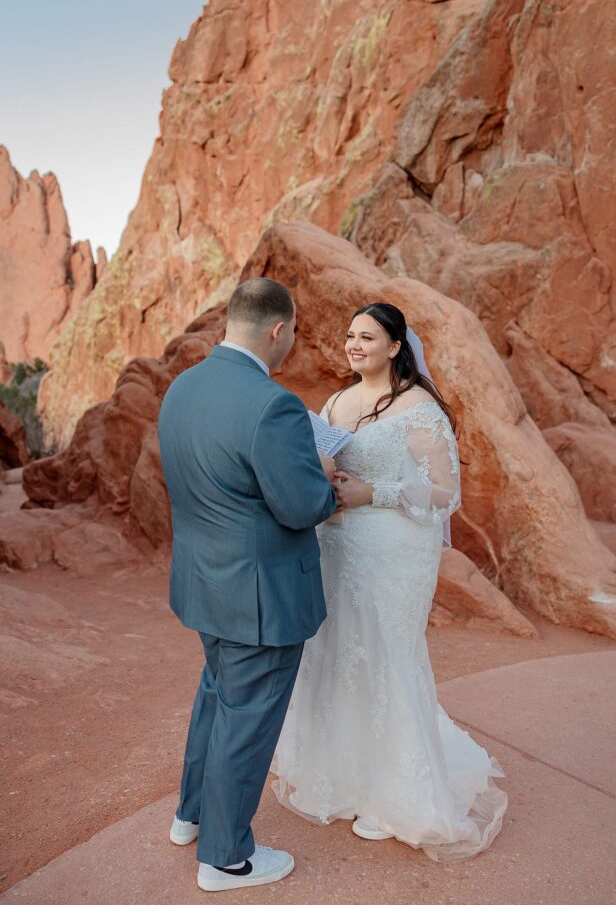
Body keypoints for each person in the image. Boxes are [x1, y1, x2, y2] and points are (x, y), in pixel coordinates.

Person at [272, 302, 508, 861]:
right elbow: (325, 459)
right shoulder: (334, 401)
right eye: (350, 336)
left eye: (368, 338)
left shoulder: (419, 408)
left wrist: (372, 492)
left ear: (396, 346)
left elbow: (445, 493)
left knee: (385, 656)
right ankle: (338, 772)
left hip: (395, 550)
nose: (355, 346)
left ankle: (393, 793)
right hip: (338, 543)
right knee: (336, 650)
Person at [158, 278, 337, 892]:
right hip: (261, 596)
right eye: (293, 335)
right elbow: (301, 506)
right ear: (278, 330)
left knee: (217, 695)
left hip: (204, 585)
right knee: (249, 715)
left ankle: (192, 815)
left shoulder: (181, 388)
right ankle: (226, 857)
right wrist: (326, 478)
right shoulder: (273, 404)